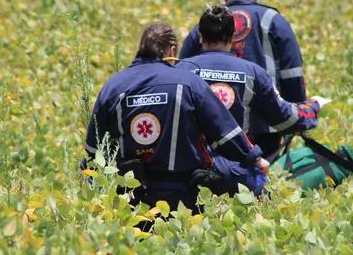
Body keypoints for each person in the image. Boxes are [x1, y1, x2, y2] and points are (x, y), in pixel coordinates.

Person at [83, 22, 269, 213]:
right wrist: (254, 158)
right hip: (184, 197)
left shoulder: (114, 86)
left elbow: (94, 146)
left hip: (133, 197)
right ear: (172, 50)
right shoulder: (189, 83)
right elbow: (225, 132)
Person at [177, 5, 329, 196]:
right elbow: (283, 116)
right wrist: (312, 107)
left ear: (200, 36)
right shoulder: (252, 73)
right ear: (233, 37)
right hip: (238, 177)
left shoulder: (180, 71)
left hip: (189, 175)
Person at [180, 0, 308, 156]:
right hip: (266, 123)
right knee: (264, 177)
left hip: (214, 126)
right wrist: (296, 118)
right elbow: (292, 74)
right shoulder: (273, 20)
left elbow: (180, 73)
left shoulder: (207, 23)